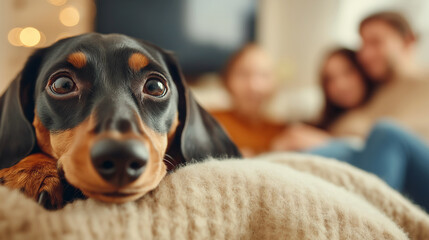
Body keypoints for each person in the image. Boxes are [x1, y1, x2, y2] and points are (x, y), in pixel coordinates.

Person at [329, 11, 429, 141]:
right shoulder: (379, 89)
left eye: (375, 42)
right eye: (363, 45)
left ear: (408, 40)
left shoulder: (423, 84)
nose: (365, 55)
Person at [211, 44, 287, 156]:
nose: (253, 86)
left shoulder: (282, 132)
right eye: (243, 74)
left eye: (264, 75)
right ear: (227, 80)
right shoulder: (211, 122)